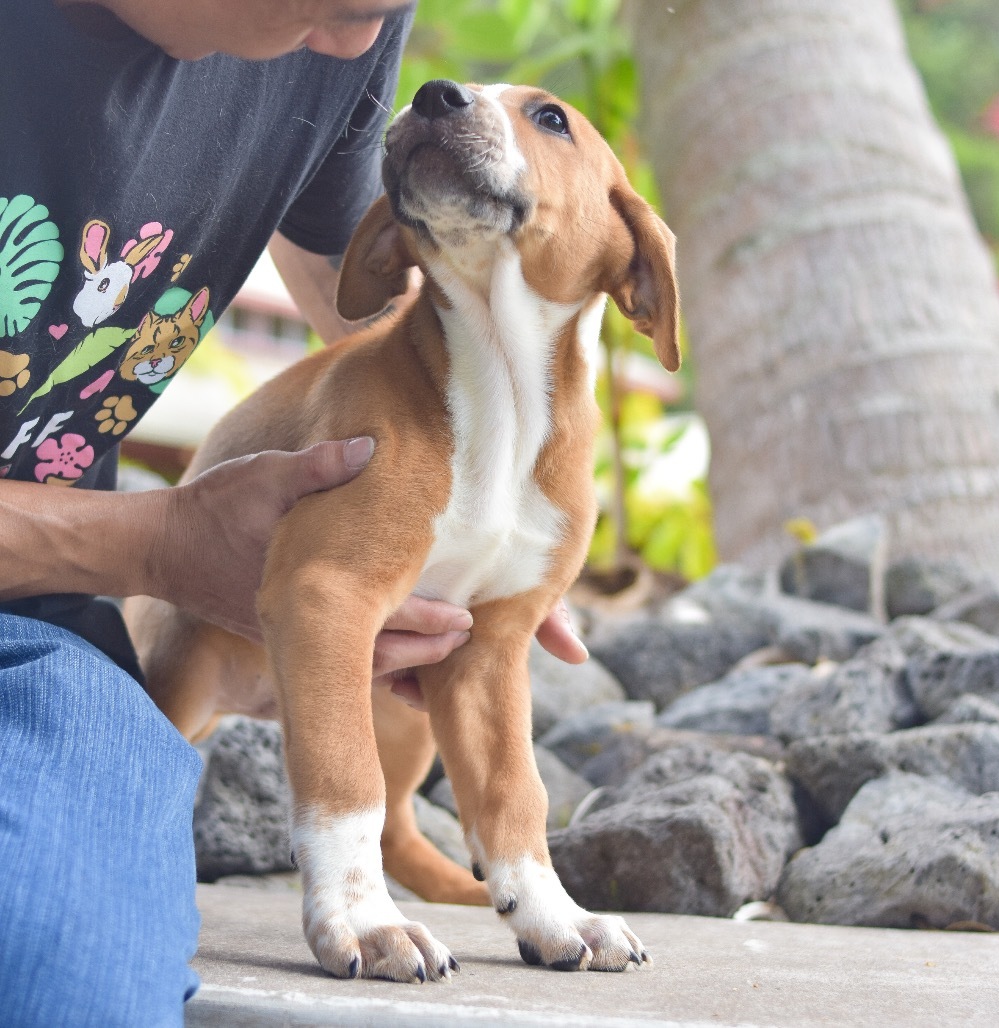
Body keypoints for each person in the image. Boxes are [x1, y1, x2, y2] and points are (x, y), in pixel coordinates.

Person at [0, 3, 587, 1025]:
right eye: (341, 3)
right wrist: (158, 543)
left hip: (26, 629)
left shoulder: (324, 42)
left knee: (68, 972)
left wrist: (470, 507)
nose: (359, 48)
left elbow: (363, 284)